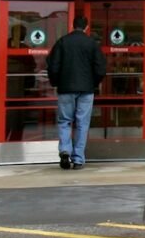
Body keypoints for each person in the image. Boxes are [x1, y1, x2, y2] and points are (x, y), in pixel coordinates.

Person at [45, 14, 107, 170]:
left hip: (65, 88)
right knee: (82, 123)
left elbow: (53, 65)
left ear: (72, 25)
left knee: (64, 121)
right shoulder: (91, 44)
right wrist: (93, 83)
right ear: (86, 27)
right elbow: (100, 68)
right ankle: (78, 158)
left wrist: (56, 82)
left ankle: (65, 150)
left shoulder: (63, 42)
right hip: (86, 89)